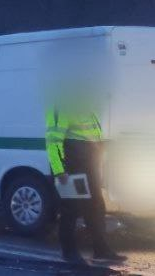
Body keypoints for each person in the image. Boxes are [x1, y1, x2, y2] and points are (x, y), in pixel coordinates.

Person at [46, 98, 125, 266]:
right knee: (71, 209)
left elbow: (91, 136)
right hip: (72, 166)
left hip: (89, 164)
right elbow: (53, 140)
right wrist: (59, 169)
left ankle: (101, 250)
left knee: (96, 206)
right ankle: (69, 252)